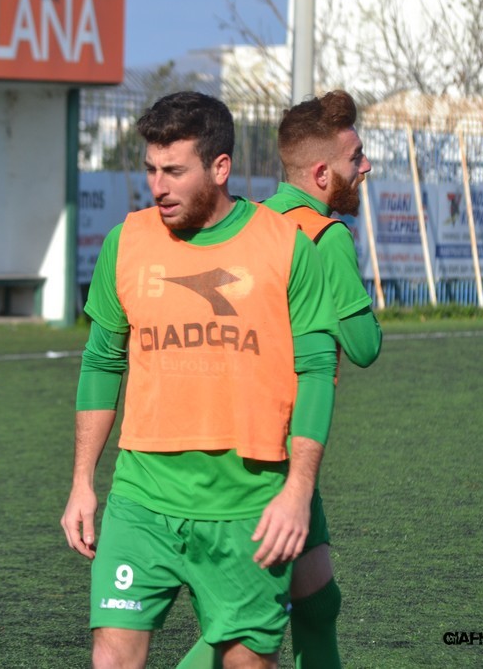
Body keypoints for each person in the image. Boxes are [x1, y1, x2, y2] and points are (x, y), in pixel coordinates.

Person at [60, 91, 340, 669]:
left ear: (220, 167)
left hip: (247, 503)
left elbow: (317, 371)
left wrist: (298, 491)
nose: (158, 187)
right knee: (110, 655)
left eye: (174, 171)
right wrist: (82, 482)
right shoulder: (126, 243)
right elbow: (101, 362)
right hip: (142, 498)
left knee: (246, 661)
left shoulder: (285, 246)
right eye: (151, 170)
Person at [178, 89, 382, 669]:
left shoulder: (254, 223)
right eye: (355, 158)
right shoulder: (325, 236)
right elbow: (364, 347)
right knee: (245, 620)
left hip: (229, 429)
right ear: (322, 174)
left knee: (317, 602)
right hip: (280, 447)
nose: (366, 167)